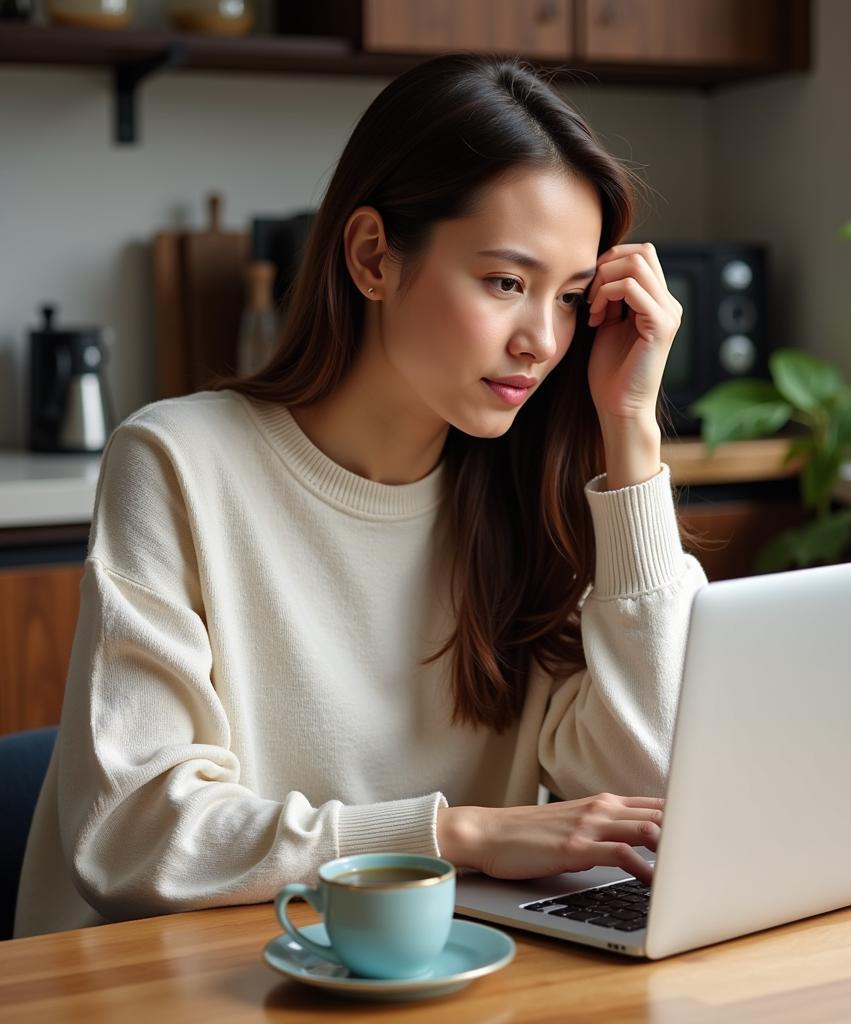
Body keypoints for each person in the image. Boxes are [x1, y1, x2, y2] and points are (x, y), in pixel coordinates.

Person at [13, 53, 707, 939]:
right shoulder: (178, 461)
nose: (543, 339)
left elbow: (649, 783)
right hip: (172, 980)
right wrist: (460, 835)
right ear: (374, 257)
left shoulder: (536, 495)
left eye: (572, 298)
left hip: (417, 976)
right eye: (506, 282)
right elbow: (136, 840)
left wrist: (634, 437)